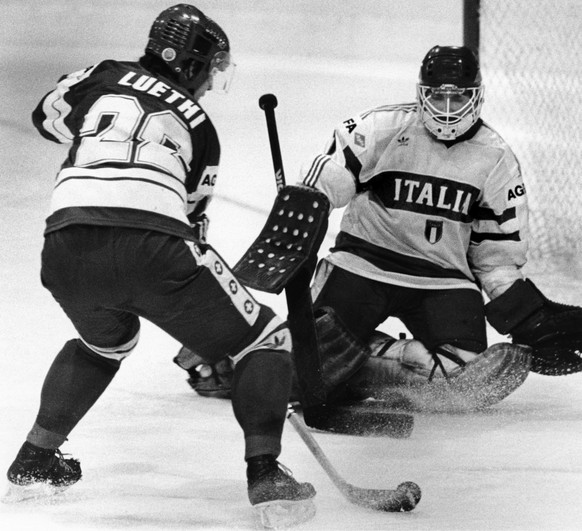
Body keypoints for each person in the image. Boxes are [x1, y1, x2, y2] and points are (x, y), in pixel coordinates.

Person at [6, 4, 316, 522]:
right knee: (266, 340)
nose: (212, 81)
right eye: (213, 68)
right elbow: (193, 232)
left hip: (63, 244)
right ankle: (266, 476)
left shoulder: (101, 75)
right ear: (193, 62)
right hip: (153, 244)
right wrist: (215, 334)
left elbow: (46, 118)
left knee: (104, 342)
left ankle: (35, 459)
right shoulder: (200, 126)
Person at [179, 45, 580, 414]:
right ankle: (238, 354)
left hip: (443, 279)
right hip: (363, 265)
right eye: (436, 96)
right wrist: (299, 231)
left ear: (476, 96)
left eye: (457, 96)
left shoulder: (496, 159)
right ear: (421, 92)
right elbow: (322, 186)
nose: (445, 107)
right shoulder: (379, 129)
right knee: (316, 356)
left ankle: (346, 362)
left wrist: (526, 317)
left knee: (466, 381)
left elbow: (495, 259)